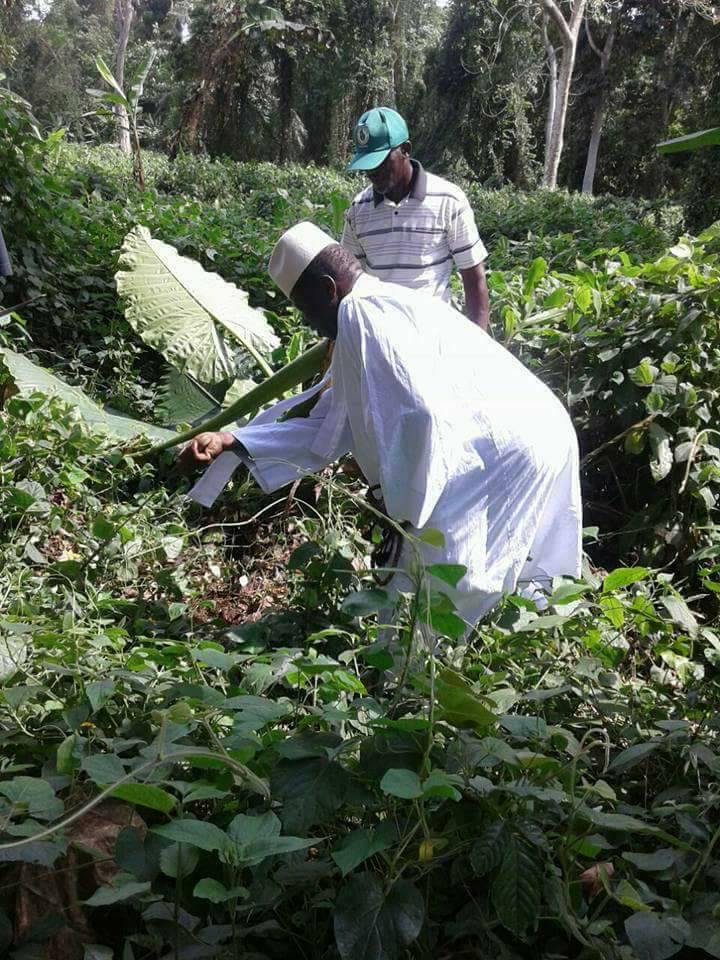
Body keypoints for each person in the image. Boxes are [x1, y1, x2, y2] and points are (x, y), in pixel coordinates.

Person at [183, 222, 582, 630]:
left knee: (427, 597)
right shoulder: (385, 302)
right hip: (541, 430)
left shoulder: (360, 316)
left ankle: (409, 688)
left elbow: (419, 414)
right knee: (527, 593)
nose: (311, 326)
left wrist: (401, 507)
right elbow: (332, 424)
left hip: (507, 451)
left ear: (328, 289)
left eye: (306, 310)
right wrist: (234, 440)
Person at [341, 107, 490, 330]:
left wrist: (477, 348)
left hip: (432, 338)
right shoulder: (358, 210)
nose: (372, 171)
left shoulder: (449, 200)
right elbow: (349, 280)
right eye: (366, 164)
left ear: (406, 150)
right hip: (378, 339)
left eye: (380, 161)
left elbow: (474, 279)